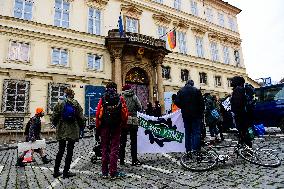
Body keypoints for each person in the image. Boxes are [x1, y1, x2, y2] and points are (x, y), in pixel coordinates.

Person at [96, 82, 128, 179]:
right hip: (116, 126)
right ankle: (113, 172)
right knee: (114, 148)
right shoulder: (120, 98)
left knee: (104, 148)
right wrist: (123, 124)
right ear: (115, 88)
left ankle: (104, 172)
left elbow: (98, 114)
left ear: (106, 88)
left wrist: (98, 127)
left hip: (105, 126)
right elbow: (125, 114)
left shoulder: (103, 98)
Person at [52, 88, 85, 179]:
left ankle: (56, 171)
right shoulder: (76, 104)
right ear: (72, 95)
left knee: (60, 151)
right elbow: (81, 117)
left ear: (65, 94)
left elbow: (54, 117)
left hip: (61, 129)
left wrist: (57, 125)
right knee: (70, 151)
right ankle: (66, 172)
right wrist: (82, 127)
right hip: (73, 129)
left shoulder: (59, 103)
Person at [174, 80, 205, 152]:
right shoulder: (196, 90)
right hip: (196, 114)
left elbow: (176, 101)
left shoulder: (181, 91)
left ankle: (188, 150)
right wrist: (201, 113)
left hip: (186, 114)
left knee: (187, 133)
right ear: (192, 84)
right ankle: (196, 150)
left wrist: (183, 107)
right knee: (196, 132)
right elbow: (202, 104)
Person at [119, 84, 142, 166]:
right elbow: (140, 107)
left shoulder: (121, 97)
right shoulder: (134, 96)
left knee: (122, 141)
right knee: (134, 141)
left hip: (124, 120)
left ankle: (121, 160)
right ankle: (134, 160)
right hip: (133, 120)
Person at [231, 76, 252, 147]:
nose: (231, 82)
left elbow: (238, 103)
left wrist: (235, 111)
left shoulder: (238, 89)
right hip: (244, 114)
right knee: (243, 131)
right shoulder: (241, 89)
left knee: (243, 131)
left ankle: (247, 147)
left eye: (232, 81)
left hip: (240, 114)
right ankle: (243, 145)